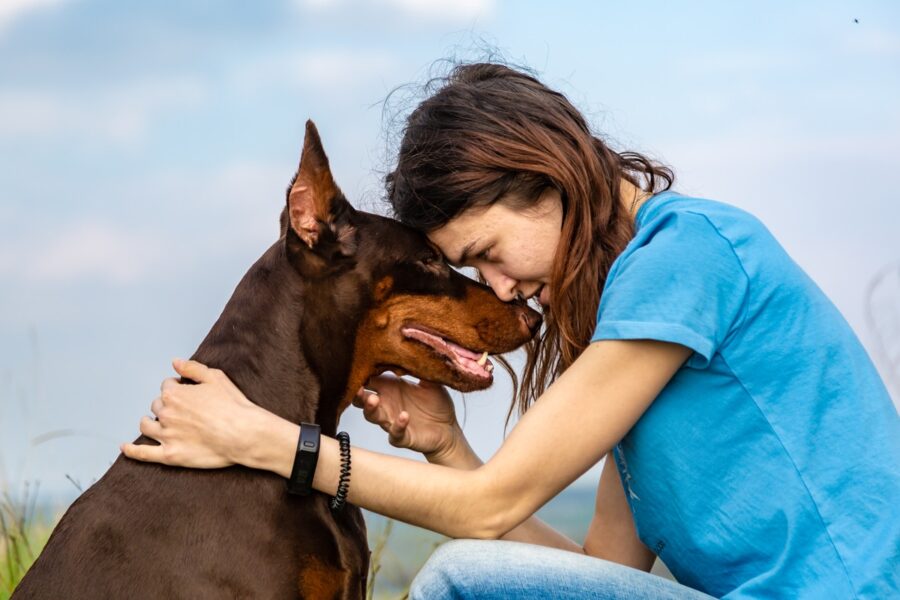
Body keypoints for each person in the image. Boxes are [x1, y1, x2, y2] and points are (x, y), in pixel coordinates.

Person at [121, 62, 899, 599]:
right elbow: (592, 573)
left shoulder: (687, 255)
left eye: (486, 253)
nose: (499, 289)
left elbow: (493, 508)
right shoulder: (629, 335)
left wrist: (263, 441)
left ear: (543, 174)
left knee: (455, 580)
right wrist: (446, 447)